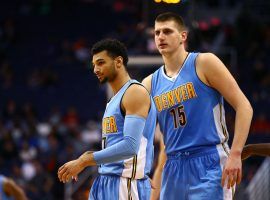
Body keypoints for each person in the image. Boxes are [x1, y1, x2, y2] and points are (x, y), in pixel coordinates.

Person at [142, 12, 253, 200]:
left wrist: (235, 154)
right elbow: (164, 145)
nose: (161, 36)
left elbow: (244, 106)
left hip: (209, 160)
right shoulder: (149, 83)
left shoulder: (204, 62)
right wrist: (155, 189)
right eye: (157, 32)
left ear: (183, 36)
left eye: (167, 31)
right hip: (173, 166)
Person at [58, 38, 156, 200]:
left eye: (101, 63)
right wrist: (87, 156)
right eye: (94, 64)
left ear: (118, 62)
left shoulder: (134, 92)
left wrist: (85, 160)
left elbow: (130, 146)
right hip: (106, 181)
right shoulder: (113, 100)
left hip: (124, 184)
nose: (96, 69)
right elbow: (115, 145)